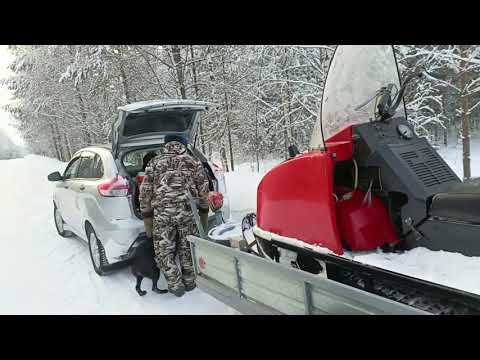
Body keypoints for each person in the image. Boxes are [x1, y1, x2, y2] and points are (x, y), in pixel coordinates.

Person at [139, 134, 210, 297]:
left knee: (164, 251)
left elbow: (145, 193)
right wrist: (204, 212)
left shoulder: (153, 163)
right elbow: (203, 190)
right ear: (183, 145)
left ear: (166, 145)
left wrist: (147, 217)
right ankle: (190, 282)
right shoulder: (193, 161)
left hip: (163, 216)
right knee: (187, 248)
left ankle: (175, 285)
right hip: (187, 214)